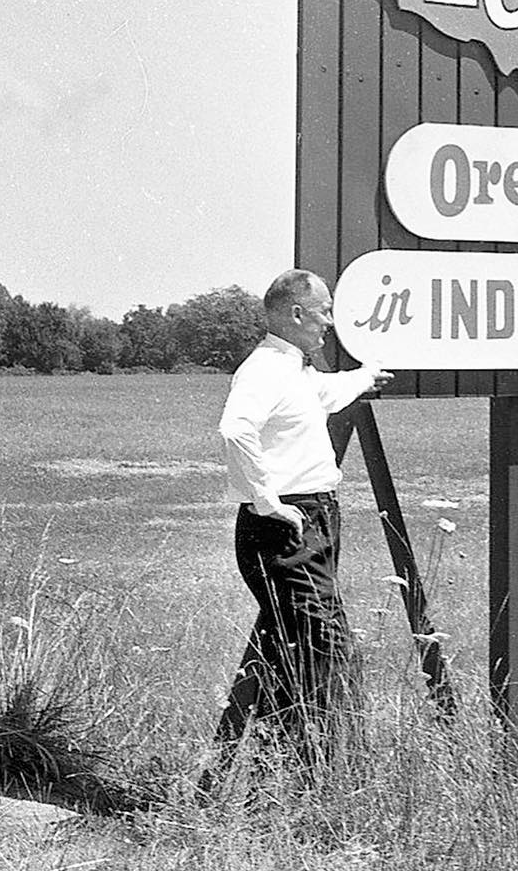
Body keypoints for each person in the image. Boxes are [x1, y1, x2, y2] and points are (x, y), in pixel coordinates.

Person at [214, 269, 391, 763]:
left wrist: (365, 377)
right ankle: (322, 768)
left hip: (310, 518)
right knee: (325, 646)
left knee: (288, 644)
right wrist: (268, 501)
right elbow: (235, 429)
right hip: (285, 527)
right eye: (324, 311)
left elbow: (322, 396)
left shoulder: (294, 369)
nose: (330, 322)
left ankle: (259, 766)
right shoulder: (264, 369)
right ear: (296, 314)